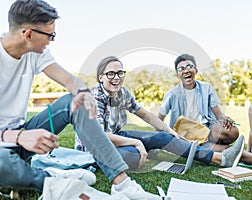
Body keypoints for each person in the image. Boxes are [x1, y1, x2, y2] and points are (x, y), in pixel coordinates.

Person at [0, 1, 160, 199]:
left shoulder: (36, 53)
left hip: (21, 140)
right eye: (50, 35)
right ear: (28, 34)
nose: (52, 40)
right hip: (6, 146)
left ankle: (122, 184)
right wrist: (17, 137)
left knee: (73, 102)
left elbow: (69, 80)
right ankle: (50, 178)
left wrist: (83, 92)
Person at [75, 56, 245, 170]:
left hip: (116, 135)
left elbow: (145, 114)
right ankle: (144, 149)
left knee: (165, 137)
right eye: (110, 74)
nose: (116, 78)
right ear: (100, 77)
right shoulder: (94, 97)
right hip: (95, 147)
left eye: (120, 73)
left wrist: (169, 131)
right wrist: (136, 142)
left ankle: (220, 159)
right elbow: (100, 135)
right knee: (133, 157)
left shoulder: (122, 93)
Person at [158, 54, 252, 168]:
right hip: (187, 137)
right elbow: (159, 119)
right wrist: (158, 143)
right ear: (178, 74)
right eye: (181, 69)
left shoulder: (206, 88)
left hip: (207, 130)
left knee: (232, 131)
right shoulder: (172, 94)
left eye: (189, 66)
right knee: (233, 152)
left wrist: (224, 119)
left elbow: (218, 114)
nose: (186, 70)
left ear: (196, 70)